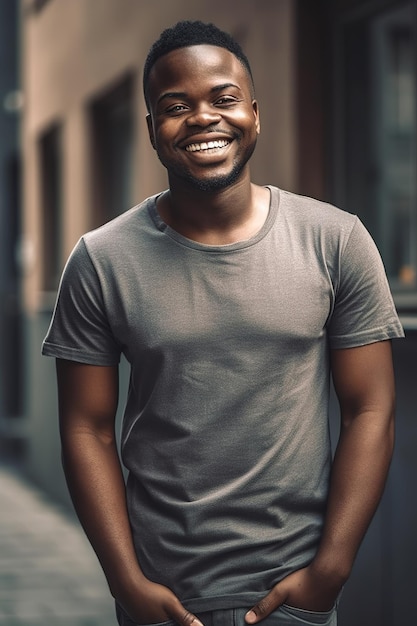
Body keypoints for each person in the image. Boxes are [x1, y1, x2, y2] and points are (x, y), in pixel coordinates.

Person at [42, 20, 404, 626]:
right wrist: (126, 582)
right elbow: (87, 430)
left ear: (255, 115)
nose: (203, 117)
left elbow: (371, 409)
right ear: (153, 130)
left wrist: (332, 570)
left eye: (224, 98)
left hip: (296, 594)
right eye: (175, 106)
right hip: (163, 597)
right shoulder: (101, 260)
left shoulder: (335, 240)